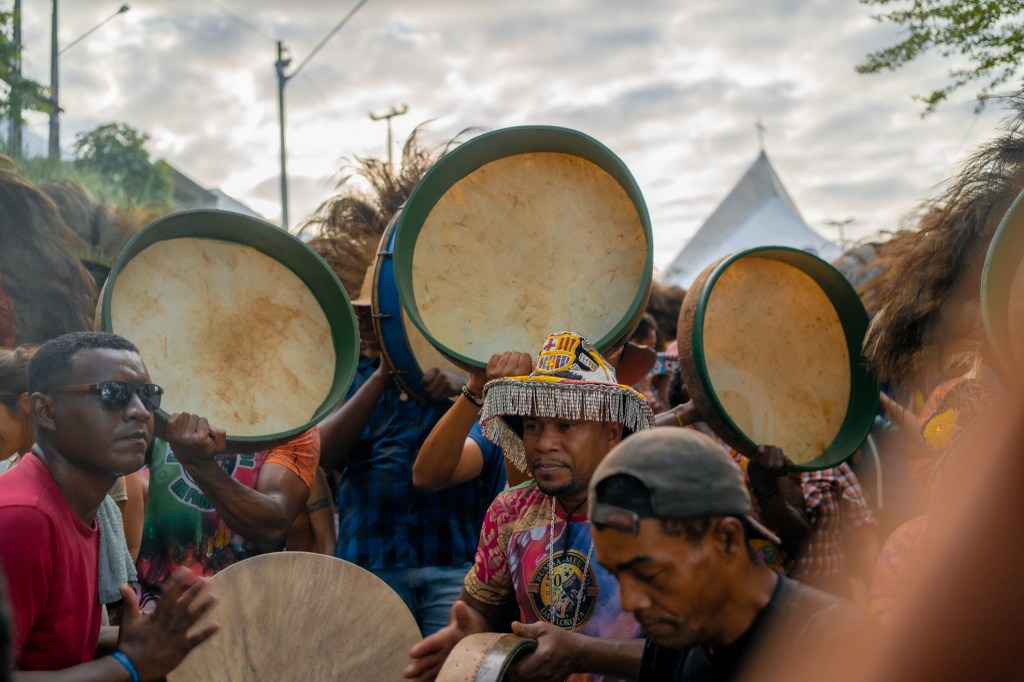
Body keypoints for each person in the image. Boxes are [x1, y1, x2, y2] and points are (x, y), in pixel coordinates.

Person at [406, 331, 656, 682]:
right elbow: (480, 609)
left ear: (612, 432)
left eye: (566, 425)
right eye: (534, 426)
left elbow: (701, 653)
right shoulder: (511, 511)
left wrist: (583, 653)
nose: (544, 443)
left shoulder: (658, 514)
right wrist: (466, 633)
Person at [0, 331, 218, 677]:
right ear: (45, 410)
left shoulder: (82, 505)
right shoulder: (22, 519)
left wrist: (139, 639)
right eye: (112, 394)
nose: (139, 412)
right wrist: (129, 666)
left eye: (148, 395)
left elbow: (54, 641)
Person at [589, 428, 867, 681]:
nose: (629, 602)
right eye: (616, 575)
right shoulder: (673, 644)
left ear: (727, 539)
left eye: (650, 574)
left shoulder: (838, 647)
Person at [319, 286, 506, 637]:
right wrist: (383, 375)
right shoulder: (355, 376)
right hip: (371, 560)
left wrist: (464, 390)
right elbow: (325, 453)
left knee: (449, 669)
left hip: (453, 558)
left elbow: (496, 445)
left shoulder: (473, 380)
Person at [135, 414, 319, 609]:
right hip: (154, 604)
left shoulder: (296, 419)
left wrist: (200, 466)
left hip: (246, 610)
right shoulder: (166, 400)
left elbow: (272, 527)